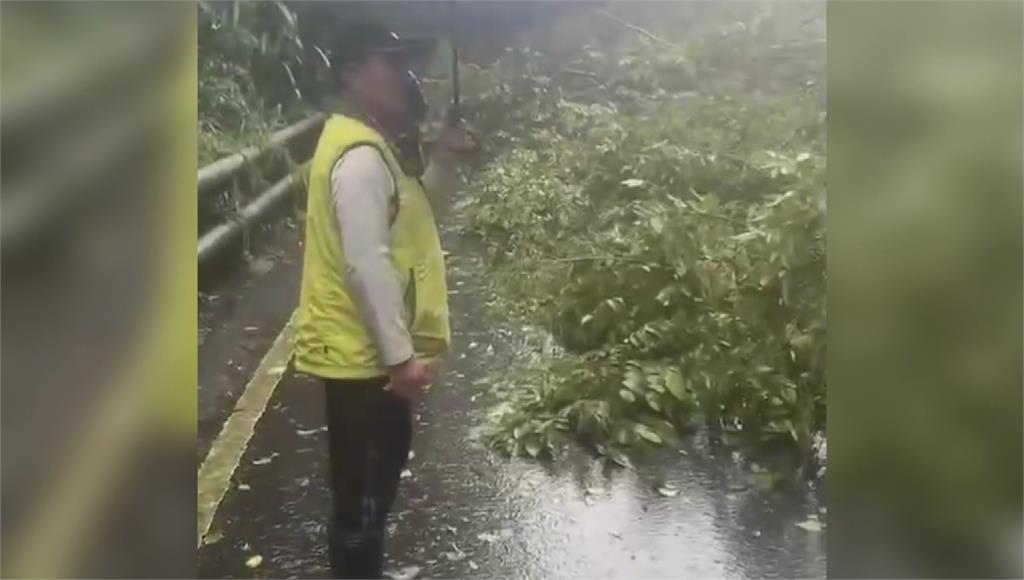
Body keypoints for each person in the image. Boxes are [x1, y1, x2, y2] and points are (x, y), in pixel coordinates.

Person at [293, 21, 471, 579]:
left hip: (365, 359)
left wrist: (443, 156)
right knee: (363, 503)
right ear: (351, 75)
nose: (405, 78)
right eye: (389, 65)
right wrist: (400, 359)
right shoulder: (363, 156)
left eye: (407, 66)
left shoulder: (379, 148)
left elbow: (419, 219)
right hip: (365, 362)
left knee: (367, 492)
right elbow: (367, 261)